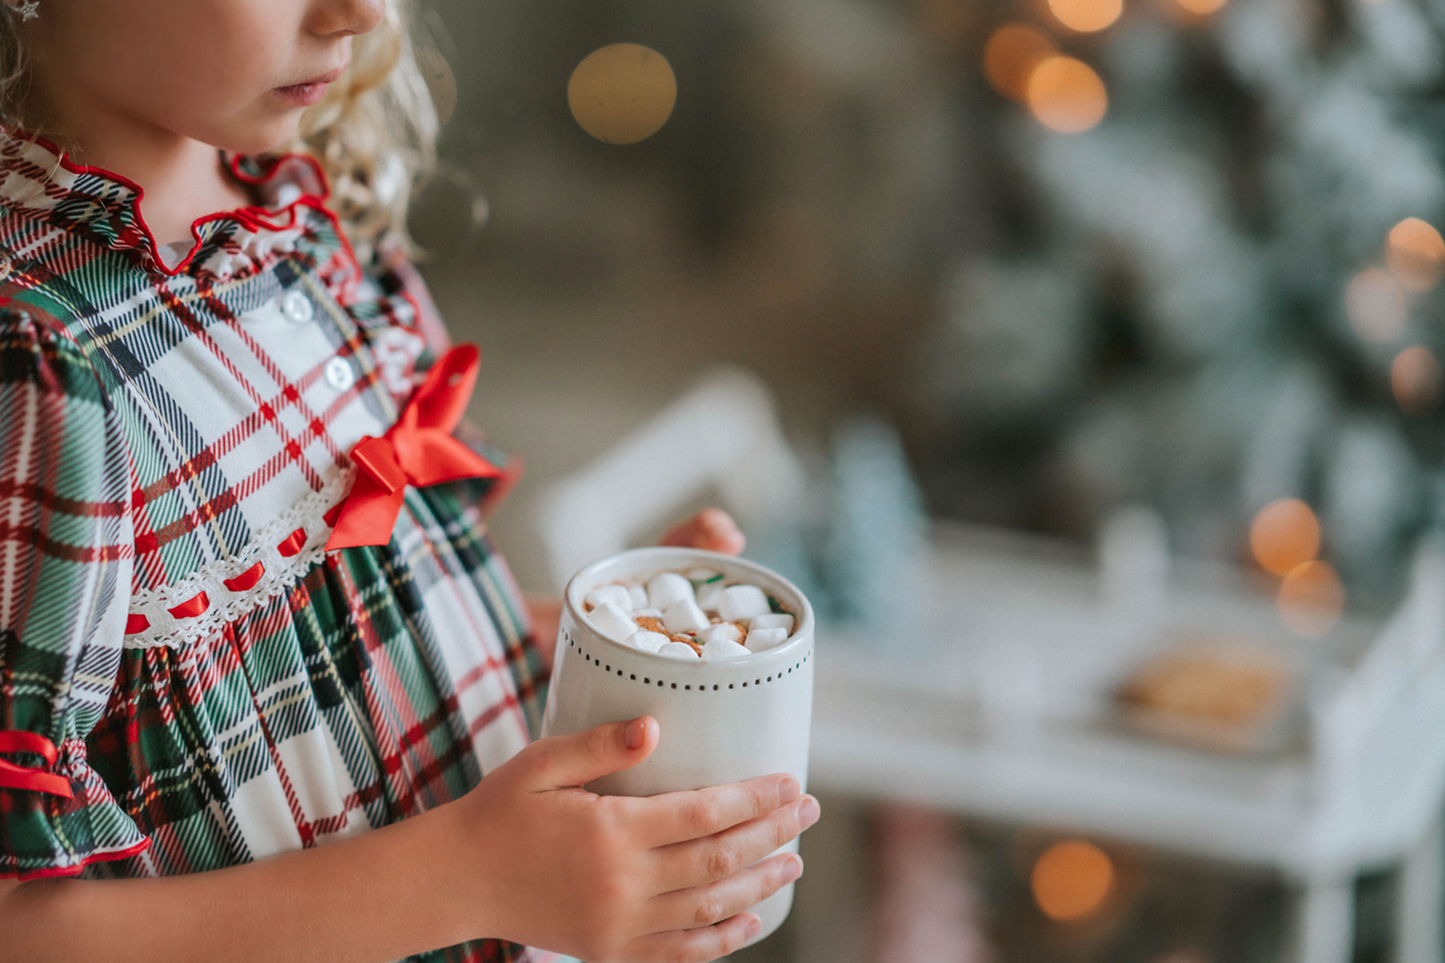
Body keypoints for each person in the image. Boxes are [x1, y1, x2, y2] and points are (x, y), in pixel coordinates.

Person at [0, 1, 819, 961]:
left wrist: (549, 641)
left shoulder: (301, 228)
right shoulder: (42, 362)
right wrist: (465, 879)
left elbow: (298, 635)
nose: (356, 12)